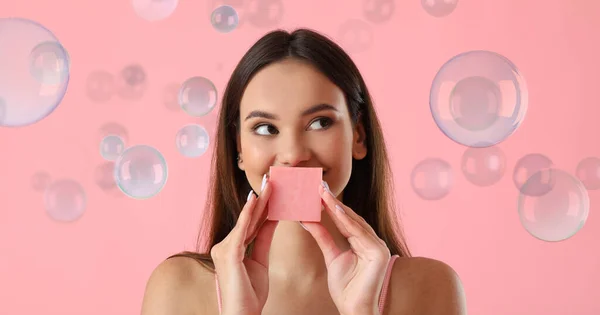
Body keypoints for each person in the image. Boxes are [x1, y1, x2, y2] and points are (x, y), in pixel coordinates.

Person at [140, 28, 467, 315]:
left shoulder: (431, 288)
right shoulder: (177, 289)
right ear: (238, 148)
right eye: (266, 128)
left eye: (320, 122)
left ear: (358, 137)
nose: (294, 154)